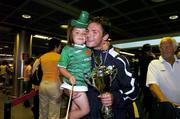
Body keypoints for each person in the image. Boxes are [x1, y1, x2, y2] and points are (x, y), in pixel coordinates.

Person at [83, 16, 139, 119]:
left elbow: (133, 90)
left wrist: (114, 98)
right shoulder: (82, 57)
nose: (88, 35)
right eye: (87, 31)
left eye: (94, 32)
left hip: (113, 114)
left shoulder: (117, 60)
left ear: (105, 37)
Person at [58, 11, 91, 119]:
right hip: (75, 85)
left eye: (84, 33)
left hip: (83, 85)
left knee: (75, 110)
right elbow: (61, 68)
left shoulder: (88, 49)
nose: (81, 35)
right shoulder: (67, 49)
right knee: (85, 110)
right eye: (77, 32)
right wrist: (69, 76)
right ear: (71, 34)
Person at [146, 37, 180, 119]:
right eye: (161, 47)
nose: (164, 50)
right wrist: (168, 103)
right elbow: (153, 85)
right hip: (164, 108)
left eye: (167, 47)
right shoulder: (154, 64)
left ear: (174, 48)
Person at [39, 37, 62, 119]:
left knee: (42, 112)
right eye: (60, 46)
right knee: (54, 114)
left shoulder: (42, 57)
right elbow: (61, 74)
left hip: (43, 85)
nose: (60, 48)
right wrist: (62, 90)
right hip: (54, 85)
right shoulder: (60, 57)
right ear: (56, 46)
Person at [138, 44, 156, 116]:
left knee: (145, 95)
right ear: (149, 50)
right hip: (149, 80)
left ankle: (145, 108)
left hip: (142, 80)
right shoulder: (150, 58)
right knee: (150, 97)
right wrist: (153, 57)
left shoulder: (140, 57)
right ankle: (150, 111)